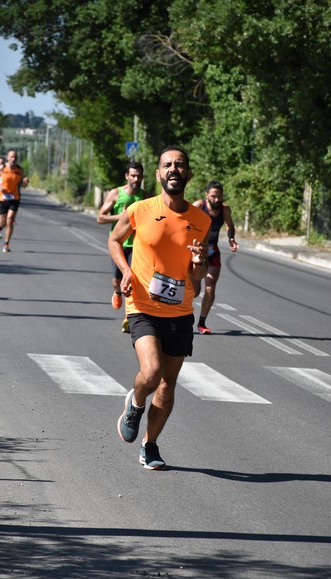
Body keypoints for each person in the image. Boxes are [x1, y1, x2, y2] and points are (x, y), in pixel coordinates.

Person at [108, 146, 211, 470]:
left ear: (188, 174)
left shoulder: (201, 220)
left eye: (180, 165)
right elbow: (114, 240)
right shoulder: (140, 209)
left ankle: (149, 445)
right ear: (158, 173)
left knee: (168, 383)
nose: (174, 169)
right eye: (167, 165)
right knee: (151, 372)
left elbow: (196, 274)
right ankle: (136, 403)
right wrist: (126, 272)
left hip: (180, 311)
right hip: (141, 304)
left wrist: (199, 262)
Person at [98, 161, 149, 332]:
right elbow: (101, 218)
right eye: (133, 175)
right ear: (127, 176)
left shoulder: (145, 196)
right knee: (117, 281)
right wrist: (122, 216)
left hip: (137, 246)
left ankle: (128, 316)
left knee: (133, 280)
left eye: (139, 176)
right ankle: (117, 292)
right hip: (118, 243)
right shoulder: (116, 193)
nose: (136, 179)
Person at [191, 181, 239, 334]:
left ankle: (201, 323)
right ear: (207, 196)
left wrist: (231, 238)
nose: (217, 200)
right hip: (197, 251)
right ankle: (180, 315)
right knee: (195, 291)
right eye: (213, 196)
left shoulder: (225, 209)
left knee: (210, 288)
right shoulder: (199, 206)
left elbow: (230, 226)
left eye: (219, 196)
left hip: (212, 251)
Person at [0, 149, 29, 253]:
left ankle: (6, 244)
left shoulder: (19, 170)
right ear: (7, 158)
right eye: (11, 157)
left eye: (15, 157)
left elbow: (22, 184)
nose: (13, 159)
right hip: (2, 198)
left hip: (14, 198)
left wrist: (25, 182)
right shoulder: (2, 168)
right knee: (2, 222)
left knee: (10, 220)